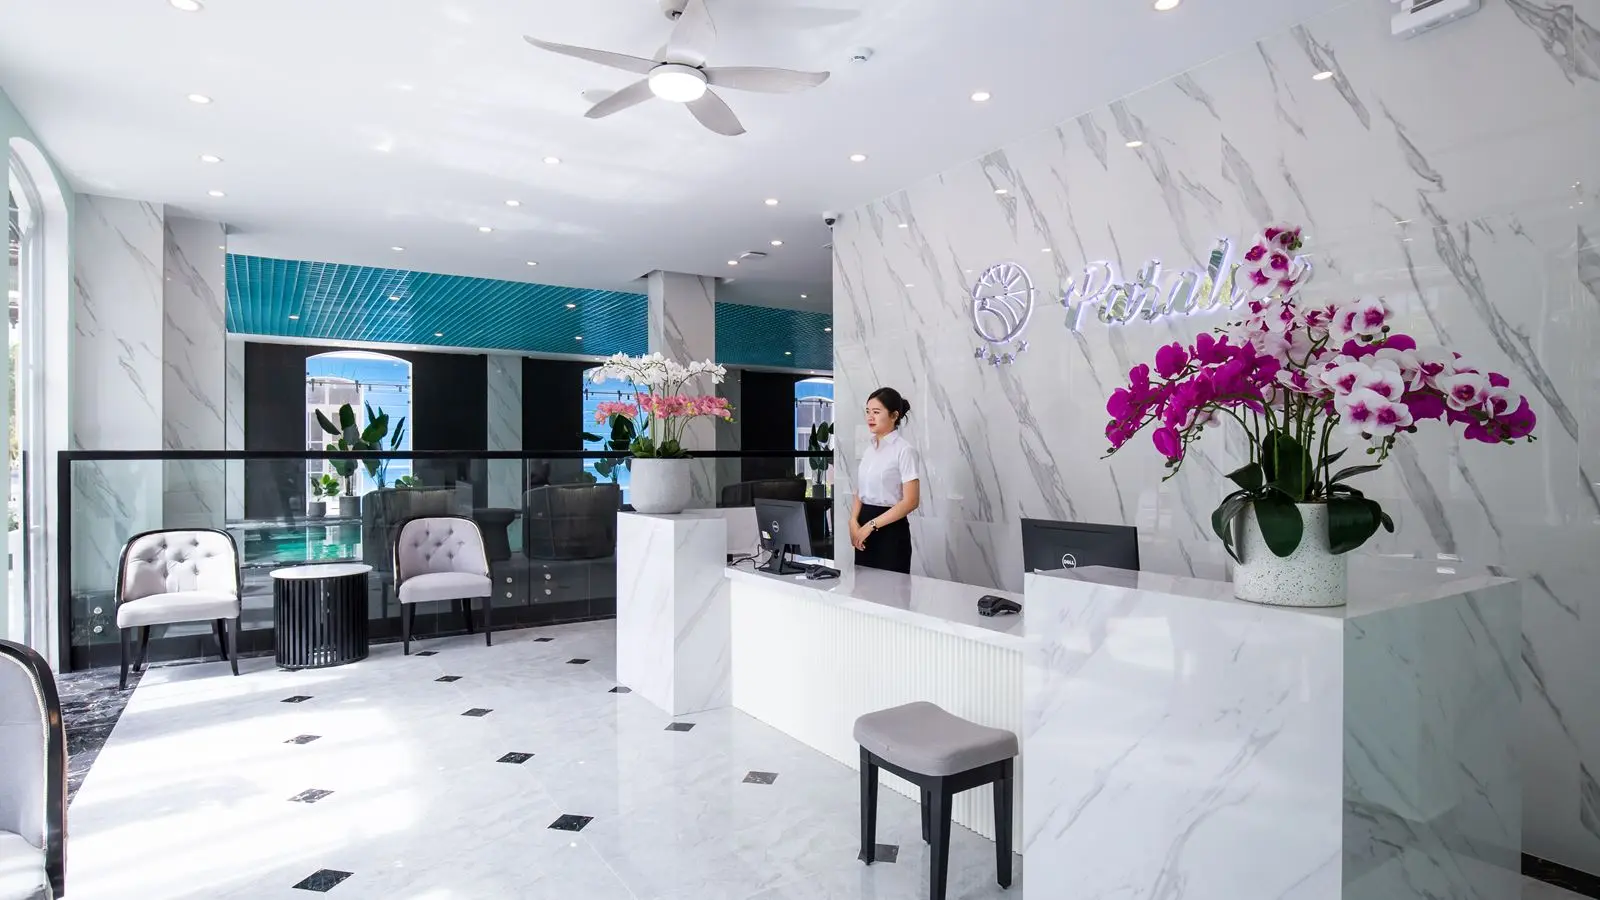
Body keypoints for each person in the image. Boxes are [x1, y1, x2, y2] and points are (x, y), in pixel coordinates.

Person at [850, 387, 921, 574]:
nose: (870, 417)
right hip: (863, 527)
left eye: (876, 412)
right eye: (867, 412)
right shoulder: (869, 450)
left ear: (894, 415)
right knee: (862, 586)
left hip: (890, 530)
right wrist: (853, 521)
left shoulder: (904, 451)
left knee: (891, 589)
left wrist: (871, 525)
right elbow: (860, 490)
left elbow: (911, 501)